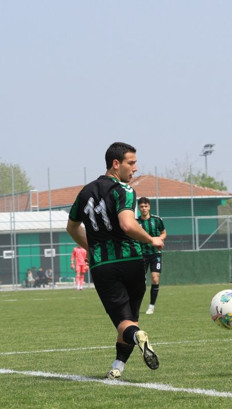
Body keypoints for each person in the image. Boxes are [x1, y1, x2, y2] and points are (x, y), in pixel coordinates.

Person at [66, 141, 164, 380]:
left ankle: (129, 350)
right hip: (133, 263)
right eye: (131, 163)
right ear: (116, 164)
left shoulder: (85, 193)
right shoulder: (124, 190)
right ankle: (118, 365)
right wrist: (151, 239)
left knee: (125, 323)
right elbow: (127, 225)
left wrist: (92, 248)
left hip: (104, 267)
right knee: (130, 322)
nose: (135, 168)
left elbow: (72, 228)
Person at [136, 197, 166, 315]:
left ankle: (151, 306)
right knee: (139, 282)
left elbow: (163, 232)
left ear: (149, 207)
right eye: (141, 206)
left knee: (155, 278)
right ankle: (136, 305)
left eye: (146, 206)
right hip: (141, 254)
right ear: (139, 208)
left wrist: (160, 239)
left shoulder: (157, 220)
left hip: (155, 253)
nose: (144, 208)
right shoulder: (136, 222)